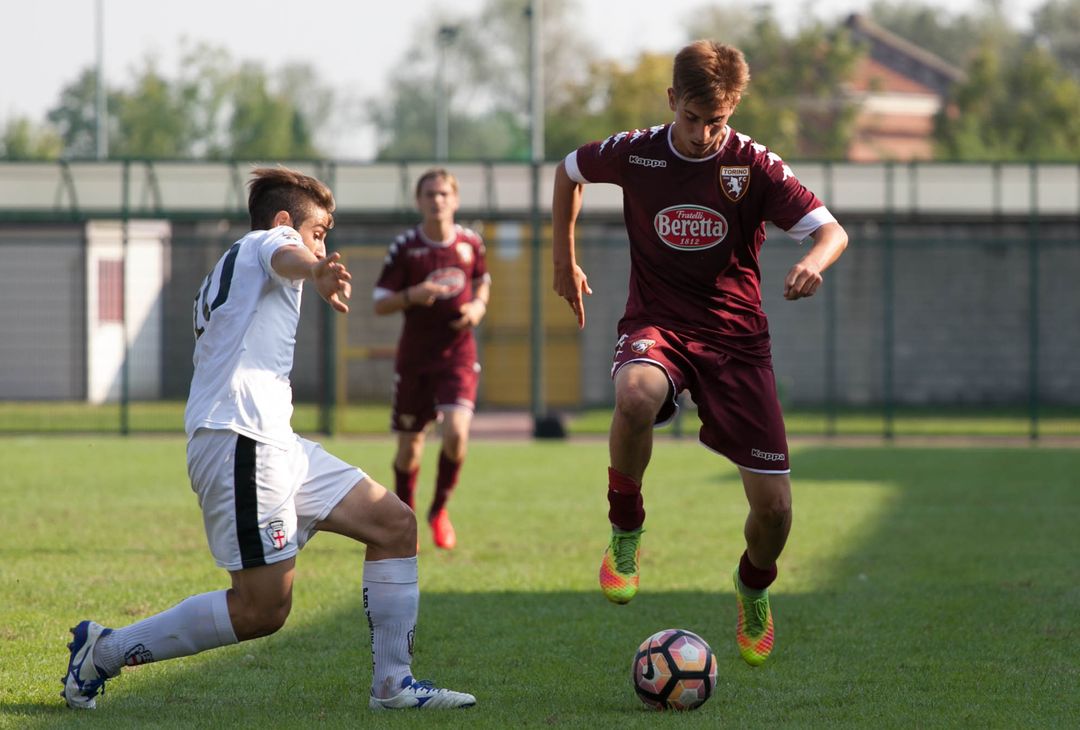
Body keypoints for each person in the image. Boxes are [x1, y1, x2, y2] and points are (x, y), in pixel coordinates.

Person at [62, 167, 475, 711]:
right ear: (285, 221)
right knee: (262, 611)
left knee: (395, 524)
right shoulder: (267, 242)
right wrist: (318, 268)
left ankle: (393, 686)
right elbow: (288, 252)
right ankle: (103, 652)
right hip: (240, 442)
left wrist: (315, 265)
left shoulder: (240, 265)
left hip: (275, 442)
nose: (324, 243)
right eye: (320, 231)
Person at [551, 41, 848, 667]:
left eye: (717, 121)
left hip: (737, 343)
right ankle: (626, 528)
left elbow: (831, 230)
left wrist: (813, 263)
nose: (704, 134)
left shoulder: (754, 166)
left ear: (733, 108)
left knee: (775, 515)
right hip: (657, 323)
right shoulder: (635, 151)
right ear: (671, 101)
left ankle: (752, 587)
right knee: (636, 393)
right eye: (692, 119)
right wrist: (563, 257)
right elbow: (568, 171)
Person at [373, 168, 490, 550]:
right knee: (410, 447)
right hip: (415, 359)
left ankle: (439, 510)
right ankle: (406, 518)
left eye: (443, 194)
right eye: (429, 194)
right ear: (418, 201)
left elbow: (481, 281)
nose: (437, 200)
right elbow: (379, 302)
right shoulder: (406, 247)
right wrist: (412, 295)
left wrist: (477, 307)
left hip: (457, 355)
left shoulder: (471, 243)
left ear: (455, 200)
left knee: (456, 433)